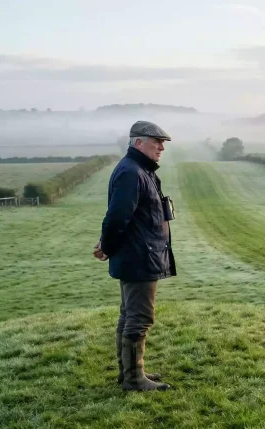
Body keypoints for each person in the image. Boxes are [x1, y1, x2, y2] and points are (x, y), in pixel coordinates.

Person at [93, 120, 174, 391]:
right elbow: (117, 217)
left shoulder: (140, 169)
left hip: (139, 254)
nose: (162, 147)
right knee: (139, 318)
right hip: (139, 258)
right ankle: (133, 379)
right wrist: (108, 245)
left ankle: (129, 373)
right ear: (138, 142)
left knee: (129, 315)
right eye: (157, 141)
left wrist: (107, 244)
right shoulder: (132, 172)